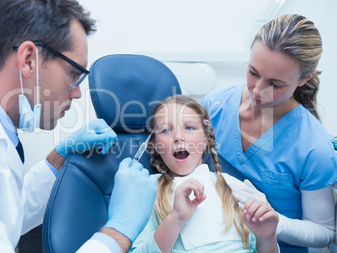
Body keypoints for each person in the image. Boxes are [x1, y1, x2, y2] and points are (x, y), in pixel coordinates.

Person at [0, 0, 157, 252]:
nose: (76, 93)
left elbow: (6, 216)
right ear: (29, 59)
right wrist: (119, 230)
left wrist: (59, 156)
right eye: (74, 74)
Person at [201, 14, 337, 252]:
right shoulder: (215, 105)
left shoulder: (314, 147)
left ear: (305, 78)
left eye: (275, 84)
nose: (258, 90)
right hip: (216, 240)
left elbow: (323, 232)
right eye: (253, 72)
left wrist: (275, 221)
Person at [130, 95, 279, 253]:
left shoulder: (234, 187)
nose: (178, 137)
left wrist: (267, 238)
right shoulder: (148, 190)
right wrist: (175, 219)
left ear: (206, 139)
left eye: (189, 128)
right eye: (166, 130)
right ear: (155, 144)